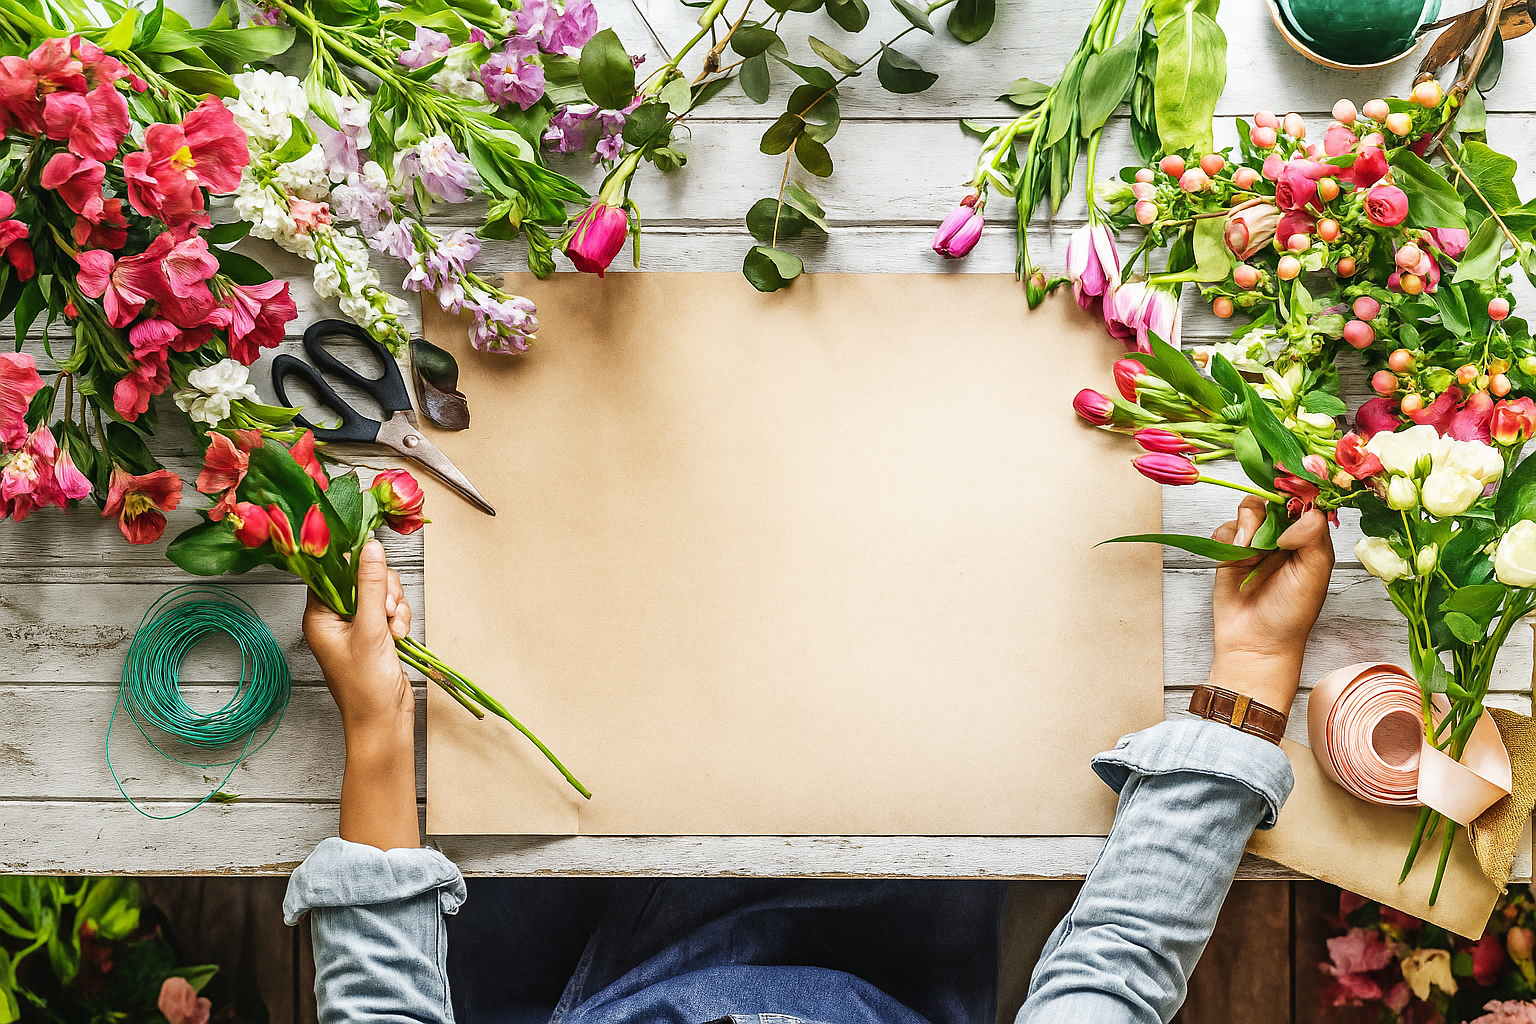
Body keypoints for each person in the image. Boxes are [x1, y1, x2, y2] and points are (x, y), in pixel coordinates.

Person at [287, 496, 1334, 1024]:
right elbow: (1114, 975)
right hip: (877, 947)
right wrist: (1248, 673)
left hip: (562, 979)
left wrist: (379, 727)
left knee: (502, 795)